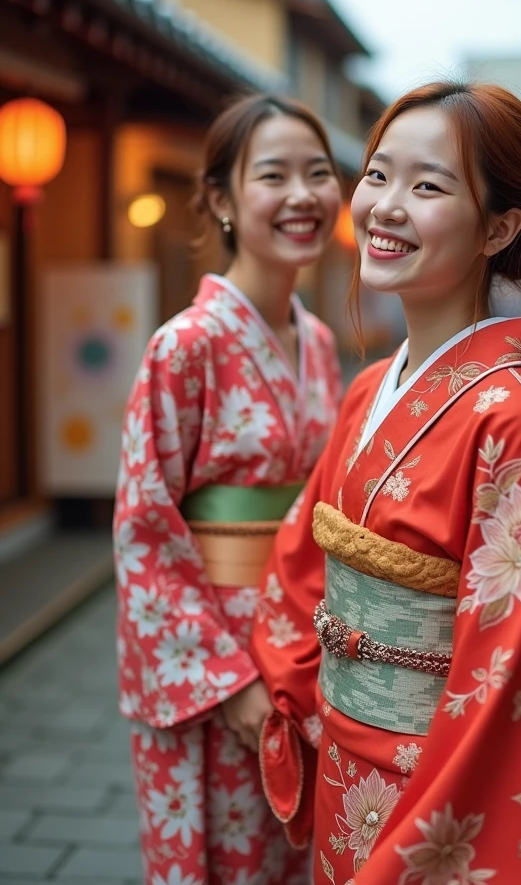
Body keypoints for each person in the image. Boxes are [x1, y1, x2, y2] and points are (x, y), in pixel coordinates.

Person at [250, 82, 521, 884]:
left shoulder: (513, 421)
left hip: (439, 794)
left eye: (428, 185)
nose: (384, 206)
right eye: (378, 175)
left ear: (499, 227)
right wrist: (288, 686)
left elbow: (518, 677)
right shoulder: (366, 388)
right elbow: (304, 562)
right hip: (344, 761)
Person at [113, 93, 343, 885]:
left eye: (319, 173)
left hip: (299, 649)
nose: (303, 195)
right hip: (213, 666)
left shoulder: (316, 341)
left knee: (292, 853)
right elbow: (144, 524)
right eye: (273, 174)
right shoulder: (186, 346)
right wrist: (229, 682)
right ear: (220, 198)